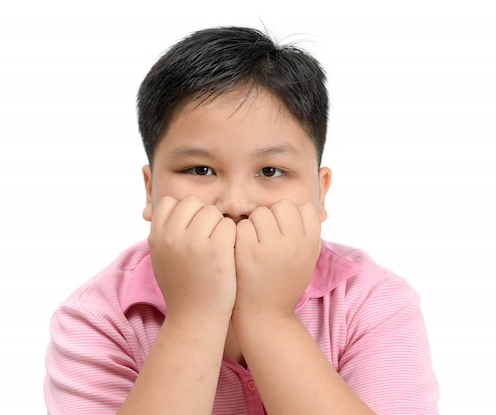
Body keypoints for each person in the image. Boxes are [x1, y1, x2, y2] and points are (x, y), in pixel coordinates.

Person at [43, 26, 439, 414]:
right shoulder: (98, 318)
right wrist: (194, 315)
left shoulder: (372, 301)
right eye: (200, 170)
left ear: (320, 193)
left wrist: (269, 317)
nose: (235, 203)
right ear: (151, 191)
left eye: (270, 171)